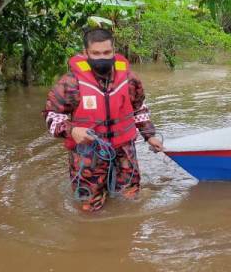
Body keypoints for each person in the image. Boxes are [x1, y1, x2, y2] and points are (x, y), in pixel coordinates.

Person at [43, 28, 163, 212]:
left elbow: (139, 108)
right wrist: (71, 130)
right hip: (88, 153)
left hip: (124, 150)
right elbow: (51, 116)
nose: (102, 58)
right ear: (86, 53)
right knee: (89, 207)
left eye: (107, 53)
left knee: (130, 200)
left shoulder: (130, 79)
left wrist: (150, 135)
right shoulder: (70, 83)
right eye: (96, 53)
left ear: (114, 51)